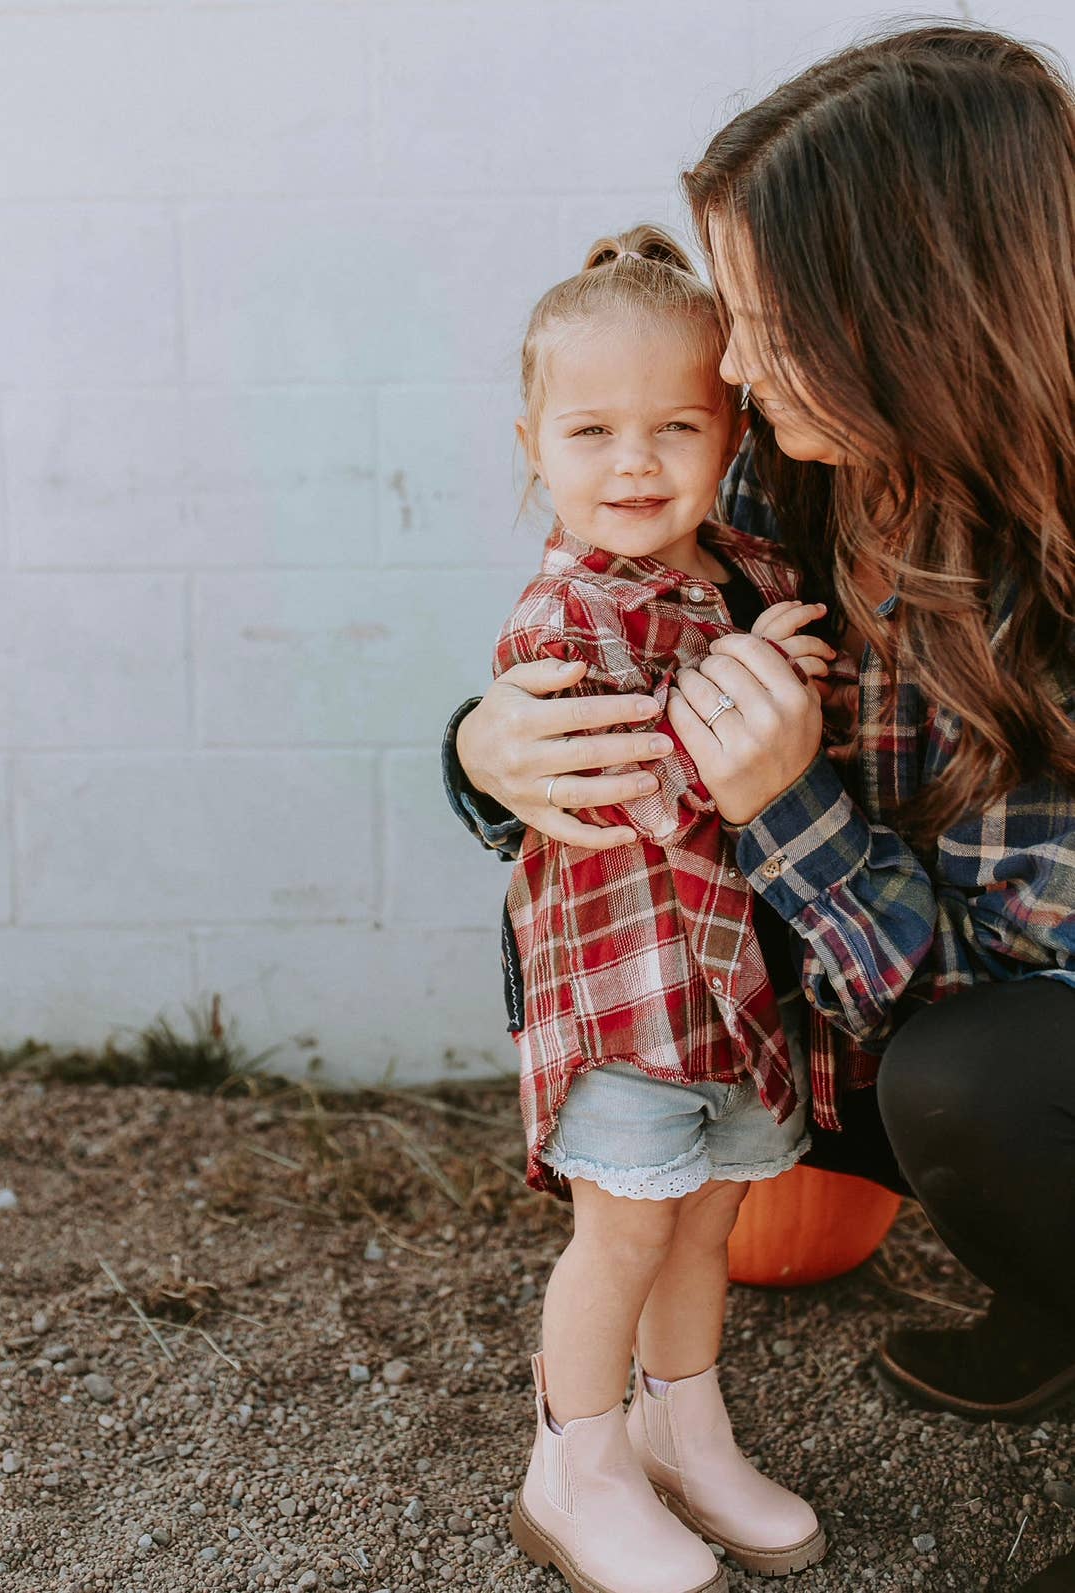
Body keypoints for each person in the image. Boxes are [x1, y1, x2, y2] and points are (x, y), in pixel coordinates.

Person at [444, 21, 1075, 1593]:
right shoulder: (782, 476)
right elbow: (590, 617)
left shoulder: (1047, 570)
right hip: (754, 988)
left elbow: (997, 980)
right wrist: (478, 748)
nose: (720, 373)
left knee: (975, 1086)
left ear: (908, 319)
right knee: (693, 1196)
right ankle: (624, 1442)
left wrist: (785, 798)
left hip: (986, 1015)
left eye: (768, 322)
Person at [493, 224, 838, 1593]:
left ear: (730, 432)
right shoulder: (559, 617)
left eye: (673, 427)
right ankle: (573, 1463)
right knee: (624, 1226)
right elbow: (636, 785)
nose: (632, 463)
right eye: (591, 430)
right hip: (623, 990)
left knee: (709, 1222)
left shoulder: (741, 572)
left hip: (732, 990)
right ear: (533, 443)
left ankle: (681, 1421)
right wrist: (753, 688)